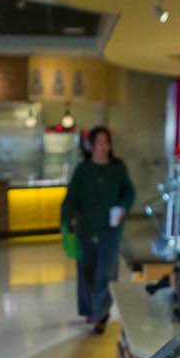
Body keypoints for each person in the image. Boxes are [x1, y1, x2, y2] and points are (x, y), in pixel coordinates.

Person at [59, 125, 135, 333]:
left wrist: (122, 207)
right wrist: (65, 223)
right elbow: (71, 199)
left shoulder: (118, 169)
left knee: (107, 273)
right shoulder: (83, 170)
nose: (103, 146)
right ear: (90, 145)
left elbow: (129, 193)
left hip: (110, 231)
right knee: (87, 273)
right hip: (86, 230)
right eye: (98, 142)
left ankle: (101, 314)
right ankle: (90, 309)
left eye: (106, 142)